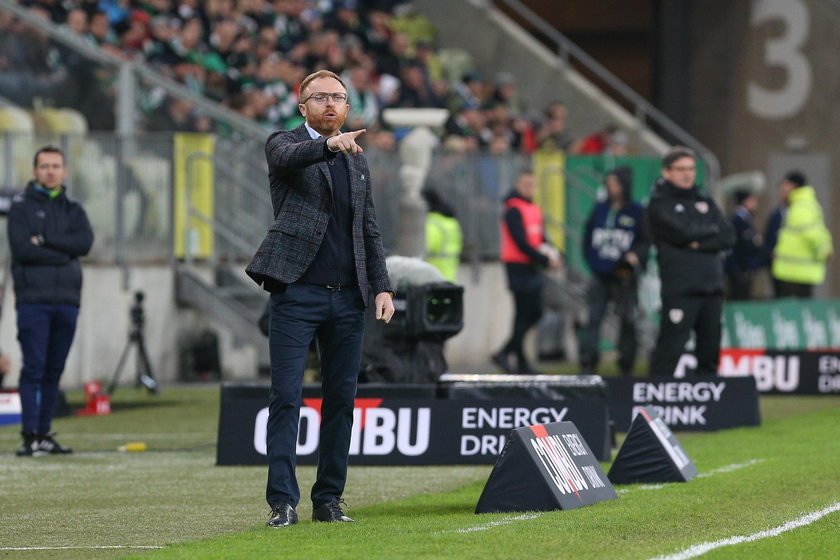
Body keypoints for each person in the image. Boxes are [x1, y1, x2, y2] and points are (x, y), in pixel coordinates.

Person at [245, 70, 395, 528]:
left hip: (348, 298)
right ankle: (282, 503)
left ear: (348, 108)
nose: (330, 104)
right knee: (286, 397)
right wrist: (330, 146)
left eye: (339, 98)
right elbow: (292, 158)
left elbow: (367, 227)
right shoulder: (283, 144)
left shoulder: (358, 160)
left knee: (341, 401)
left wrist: (382, 285)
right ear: (302, 104)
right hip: (297, 293)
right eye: (321, 97)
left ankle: (328, 499)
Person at [8, 145, 94, 456]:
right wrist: (63, 251)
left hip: (67, 300)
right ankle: (30, 435)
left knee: (54, 370)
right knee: (34, 368)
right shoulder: (20, 207)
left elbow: (84, 244)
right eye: (44, 166)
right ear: (34, 171)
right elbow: (23, 250)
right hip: (33, 300)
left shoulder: (73, 209)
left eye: (56, 166)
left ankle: (44, 434)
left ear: (65, 171)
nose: (50, 171)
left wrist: (44, 240)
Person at [646, 147, 734, 377]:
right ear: (667, 172)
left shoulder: (705, 202)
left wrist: (699, 241)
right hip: (681, 288)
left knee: (710, 352)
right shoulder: (659, 204)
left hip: (712, 287)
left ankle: (706, 407)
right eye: (681, 169)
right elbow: (682, 233)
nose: (687, 174)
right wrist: (709, 235)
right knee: (670, 351)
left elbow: (728, 236)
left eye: (691, 169)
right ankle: (652, 408)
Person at [579, 166, 649, 376]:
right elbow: (587, 236)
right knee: (593, 318)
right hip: (600, 273)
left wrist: (634, 257)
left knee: (627, 318)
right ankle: (589, 362)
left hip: (624, 274)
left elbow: (645, 241)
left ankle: (626, 364)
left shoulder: (636, 210)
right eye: (608, 184)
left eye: (615, 184)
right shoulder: (600, 208)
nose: (611, 188)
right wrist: (593, 262)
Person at [491, 170, 560, 375]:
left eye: (532, 185)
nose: (529, 189)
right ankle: (513, 357)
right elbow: (521, 242)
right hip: (518, 266)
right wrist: (544, 259)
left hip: (531, 265)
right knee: (527, 313)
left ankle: (513, 357)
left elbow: (540, 238)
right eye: (525, 184)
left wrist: (553, 253)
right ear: (518, 185)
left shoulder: (533, 209)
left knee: (527, 314)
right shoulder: (513, 209)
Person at [771, 172, 833, 298]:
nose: (781, 189)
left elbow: (812, 234)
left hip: (796, 271)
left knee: (792, 311)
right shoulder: (799, 205)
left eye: (785, 185)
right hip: (795, 271)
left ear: (793, 186)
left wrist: (824, 252)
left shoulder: (801, 207)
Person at [725, 189, 764, 300]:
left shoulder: (745, 218)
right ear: (745, 201)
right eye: (752, 200)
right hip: (740, 266)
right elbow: (742, 243)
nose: (756, 203)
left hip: (741, 266)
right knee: (739, 295)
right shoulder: (738, 219)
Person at [763, 173, 796, 298]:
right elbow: (769, 238)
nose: (783, 195)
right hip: (778, 266)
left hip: (796, 266)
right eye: (781, 191)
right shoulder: (775, 216)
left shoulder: (800, 214)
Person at [422, 186, 462, 283]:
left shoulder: (433, 223)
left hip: (434, 277)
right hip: (450, 275)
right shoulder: (451, 222)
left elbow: (426, 246)